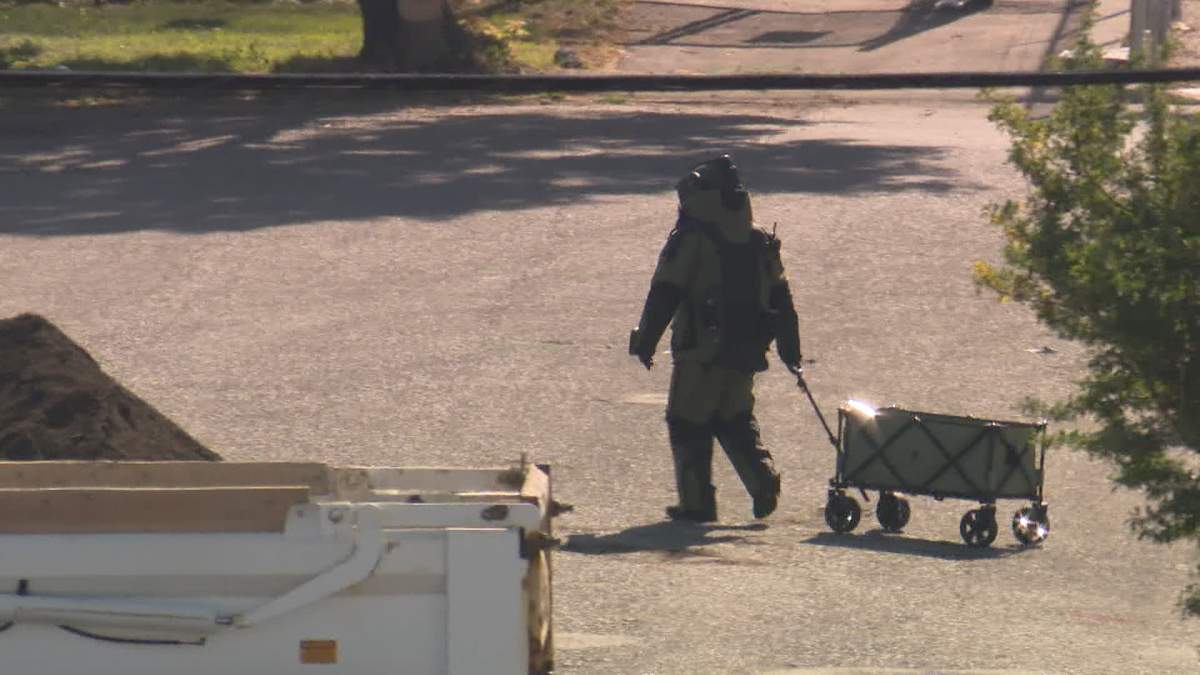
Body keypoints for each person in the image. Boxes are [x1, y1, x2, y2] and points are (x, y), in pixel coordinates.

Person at [629, 154, 802, 523]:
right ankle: (762, 480)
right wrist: (790, 349)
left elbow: (665, 291)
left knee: (686, 421)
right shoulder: (759, 240)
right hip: (746, 350)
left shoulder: (692, 238)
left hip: (700, 352)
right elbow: (782, 298)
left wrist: (646, 340)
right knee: (732, 418)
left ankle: (697, 504)